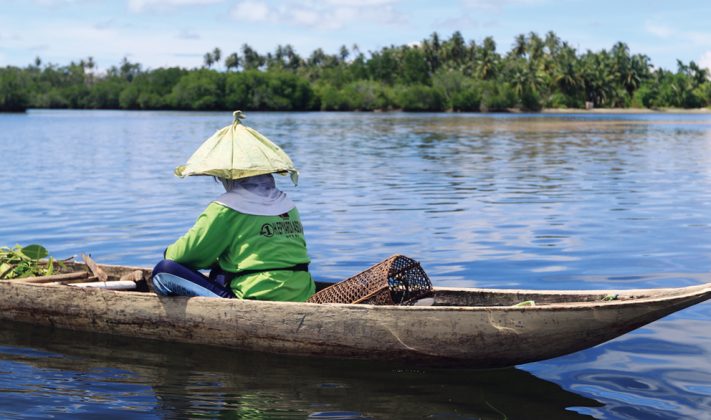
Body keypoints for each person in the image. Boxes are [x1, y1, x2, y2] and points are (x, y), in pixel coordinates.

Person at [151, 173, 315, 301]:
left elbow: (180, 256)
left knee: (163, 271)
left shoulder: (227, 206)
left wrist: (168, 252)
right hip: (302, 294)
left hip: (255, 297)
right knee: (221, 269)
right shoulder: (288, 204)